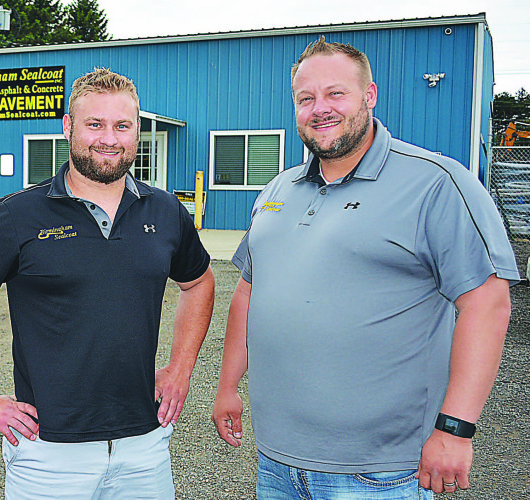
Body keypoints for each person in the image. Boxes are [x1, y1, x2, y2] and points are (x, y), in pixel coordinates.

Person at [211, 36, 519, 499]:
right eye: (305, 98)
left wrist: (455, 429)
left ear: (369, 96)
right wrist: (227, 386)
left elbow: (488, 303)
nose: (320, 109)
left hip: (382, 472)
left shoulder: (435, 183)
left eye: (336, 93)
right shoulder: (277, 190)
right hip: (277, 462)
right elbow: (250, 293)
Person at [0, 68, 215, 500]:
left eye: (122, 125)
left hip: (144, 444)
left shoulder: (165, 211)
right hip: (49, 453)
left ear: (137, 130)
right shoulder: (16, 215)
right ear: (68, 127)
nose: (109, 138)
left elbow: (199, 283)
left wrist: (180, 368)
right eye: (94, 124)